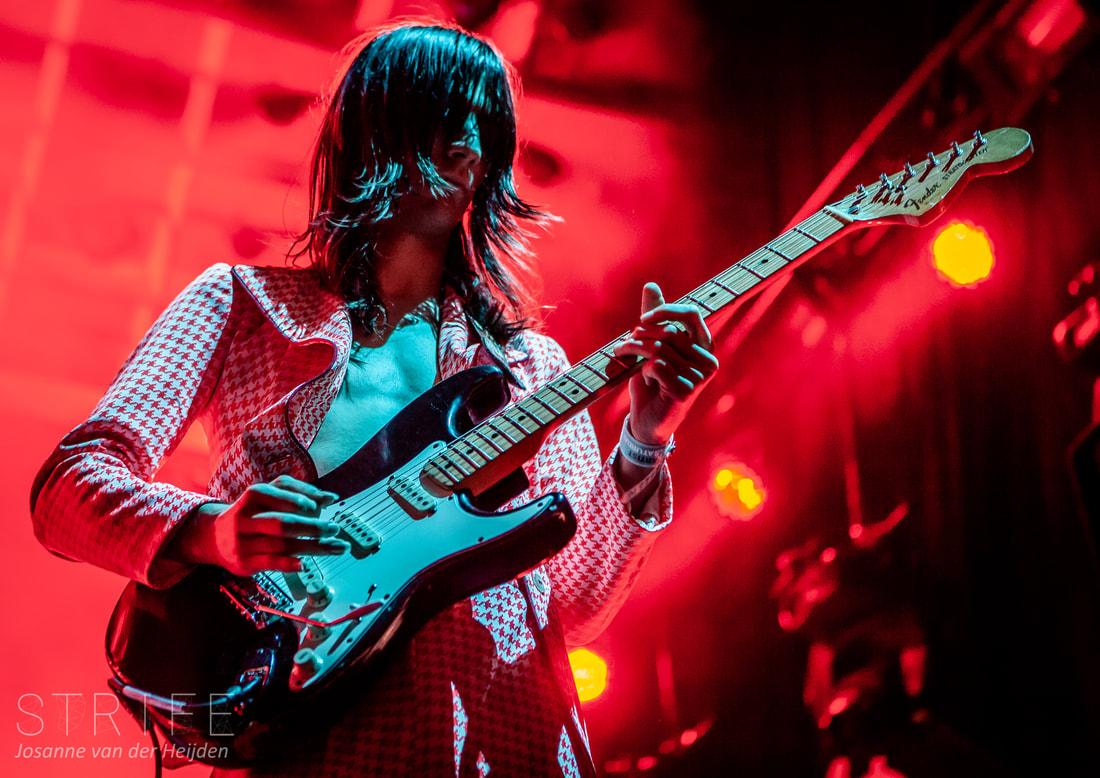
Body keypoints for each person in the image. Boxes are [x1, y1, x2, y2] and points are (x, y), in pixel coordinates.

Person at [29, 20, 718, 777]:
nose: (467, 143)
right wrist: (209, 532)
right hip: (310, 742)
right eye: (444, 113)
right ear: (372, 127)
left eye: (485, 126)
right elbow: (68, 488)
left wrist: (646, 439)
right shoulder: (243, 306)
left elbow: (577, 607)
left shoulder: (533, 367)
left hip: (508, 744)